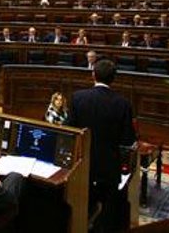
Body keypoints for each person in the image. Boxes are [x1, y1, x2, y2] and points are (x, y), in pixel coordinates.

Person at [67, 59, 136, 232]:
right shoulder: (123, 104)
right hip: (109, 166)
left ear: (93, 75)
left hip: (82, 163)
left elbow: (70, 130)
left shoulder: (77, 97)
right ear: (114, 79)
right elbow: (128, 140)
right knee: (108, 212)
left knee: (83, 205)